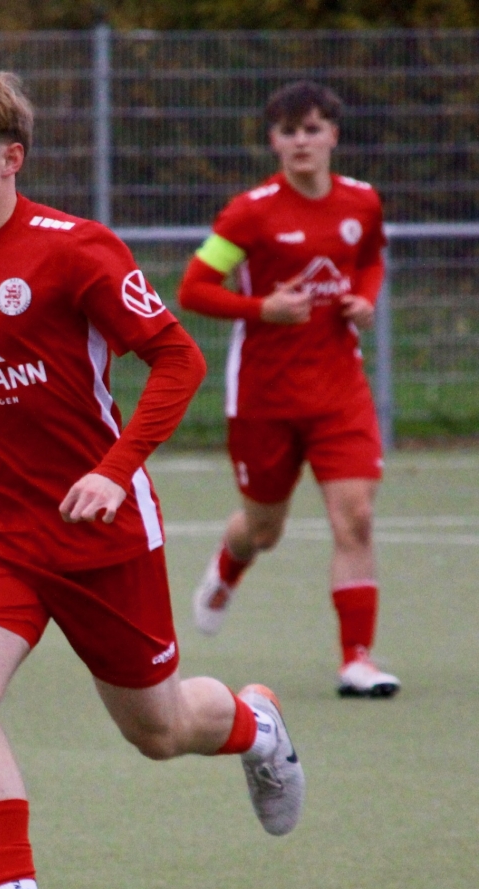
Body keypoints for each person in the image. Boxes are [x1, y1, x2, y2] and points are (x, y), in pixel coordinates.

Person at [0, 71, 305, 889]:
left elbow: (177, 360)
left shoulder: (75, 252)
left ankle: (255, 725)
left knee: (158, 729)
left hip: (98, 532)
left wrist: (113, 470)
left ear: (10, 158)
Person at [177, 81, 400, 699]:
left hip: (339, 392)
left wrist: (365, 300)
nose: (301, 141)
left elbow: (372, 260)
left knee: (356, 518)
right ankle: (229, 566)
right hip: (264, 398)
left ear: (333, 135)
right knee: (263, 530)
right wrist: (261, 308)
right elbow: (194, 289)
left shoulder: (362, 202)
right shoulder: (249, 213)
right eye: (288, 131)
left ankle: (357, 660)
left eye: (312, 129)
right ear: (274, 141)